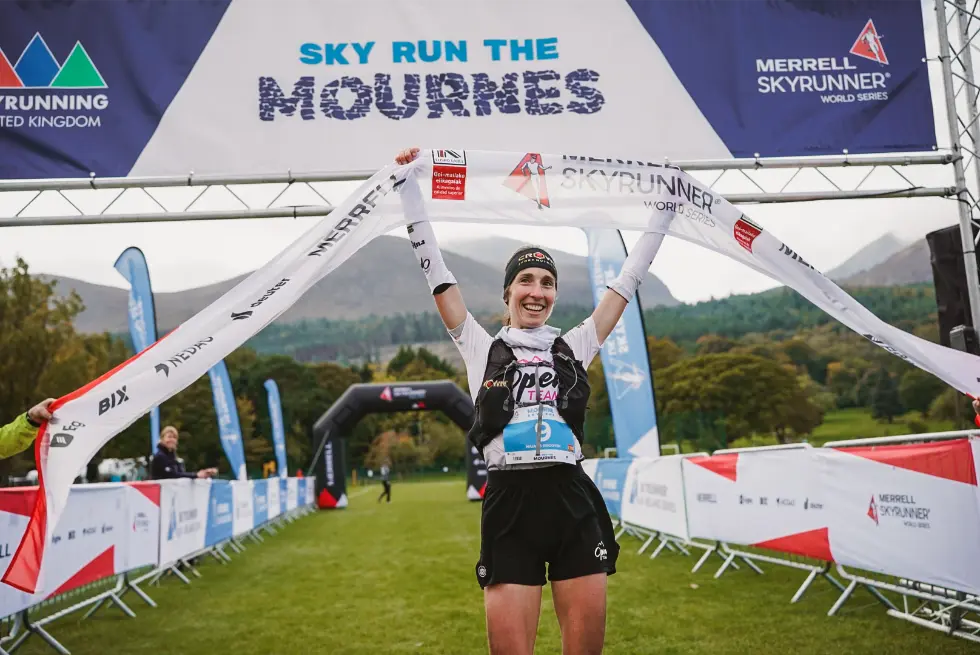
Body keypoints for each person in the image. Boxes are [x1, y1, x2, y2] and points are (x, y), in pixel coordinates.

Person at [395, 147, 672, 655]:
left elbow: (626, 281)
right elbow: (438, 276)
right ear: (508, 293)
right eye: (526, 280)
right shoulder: (482, 347)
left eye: (547, 282)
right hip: (510, 505)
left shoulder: (574, 345)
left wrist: (666, 209)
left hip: (572, 500)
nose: (537, 290)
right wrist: (409, 192)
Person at [150, 425, 218, 480]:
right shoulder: (159, 457)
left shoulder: (175, 458)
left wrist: (204, 473)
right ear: (162, 439)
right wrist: (196, 475)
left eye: (174, 437)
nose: (172, 440)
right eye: (169, 437)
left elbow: (181, 474)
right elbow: (172, 475)